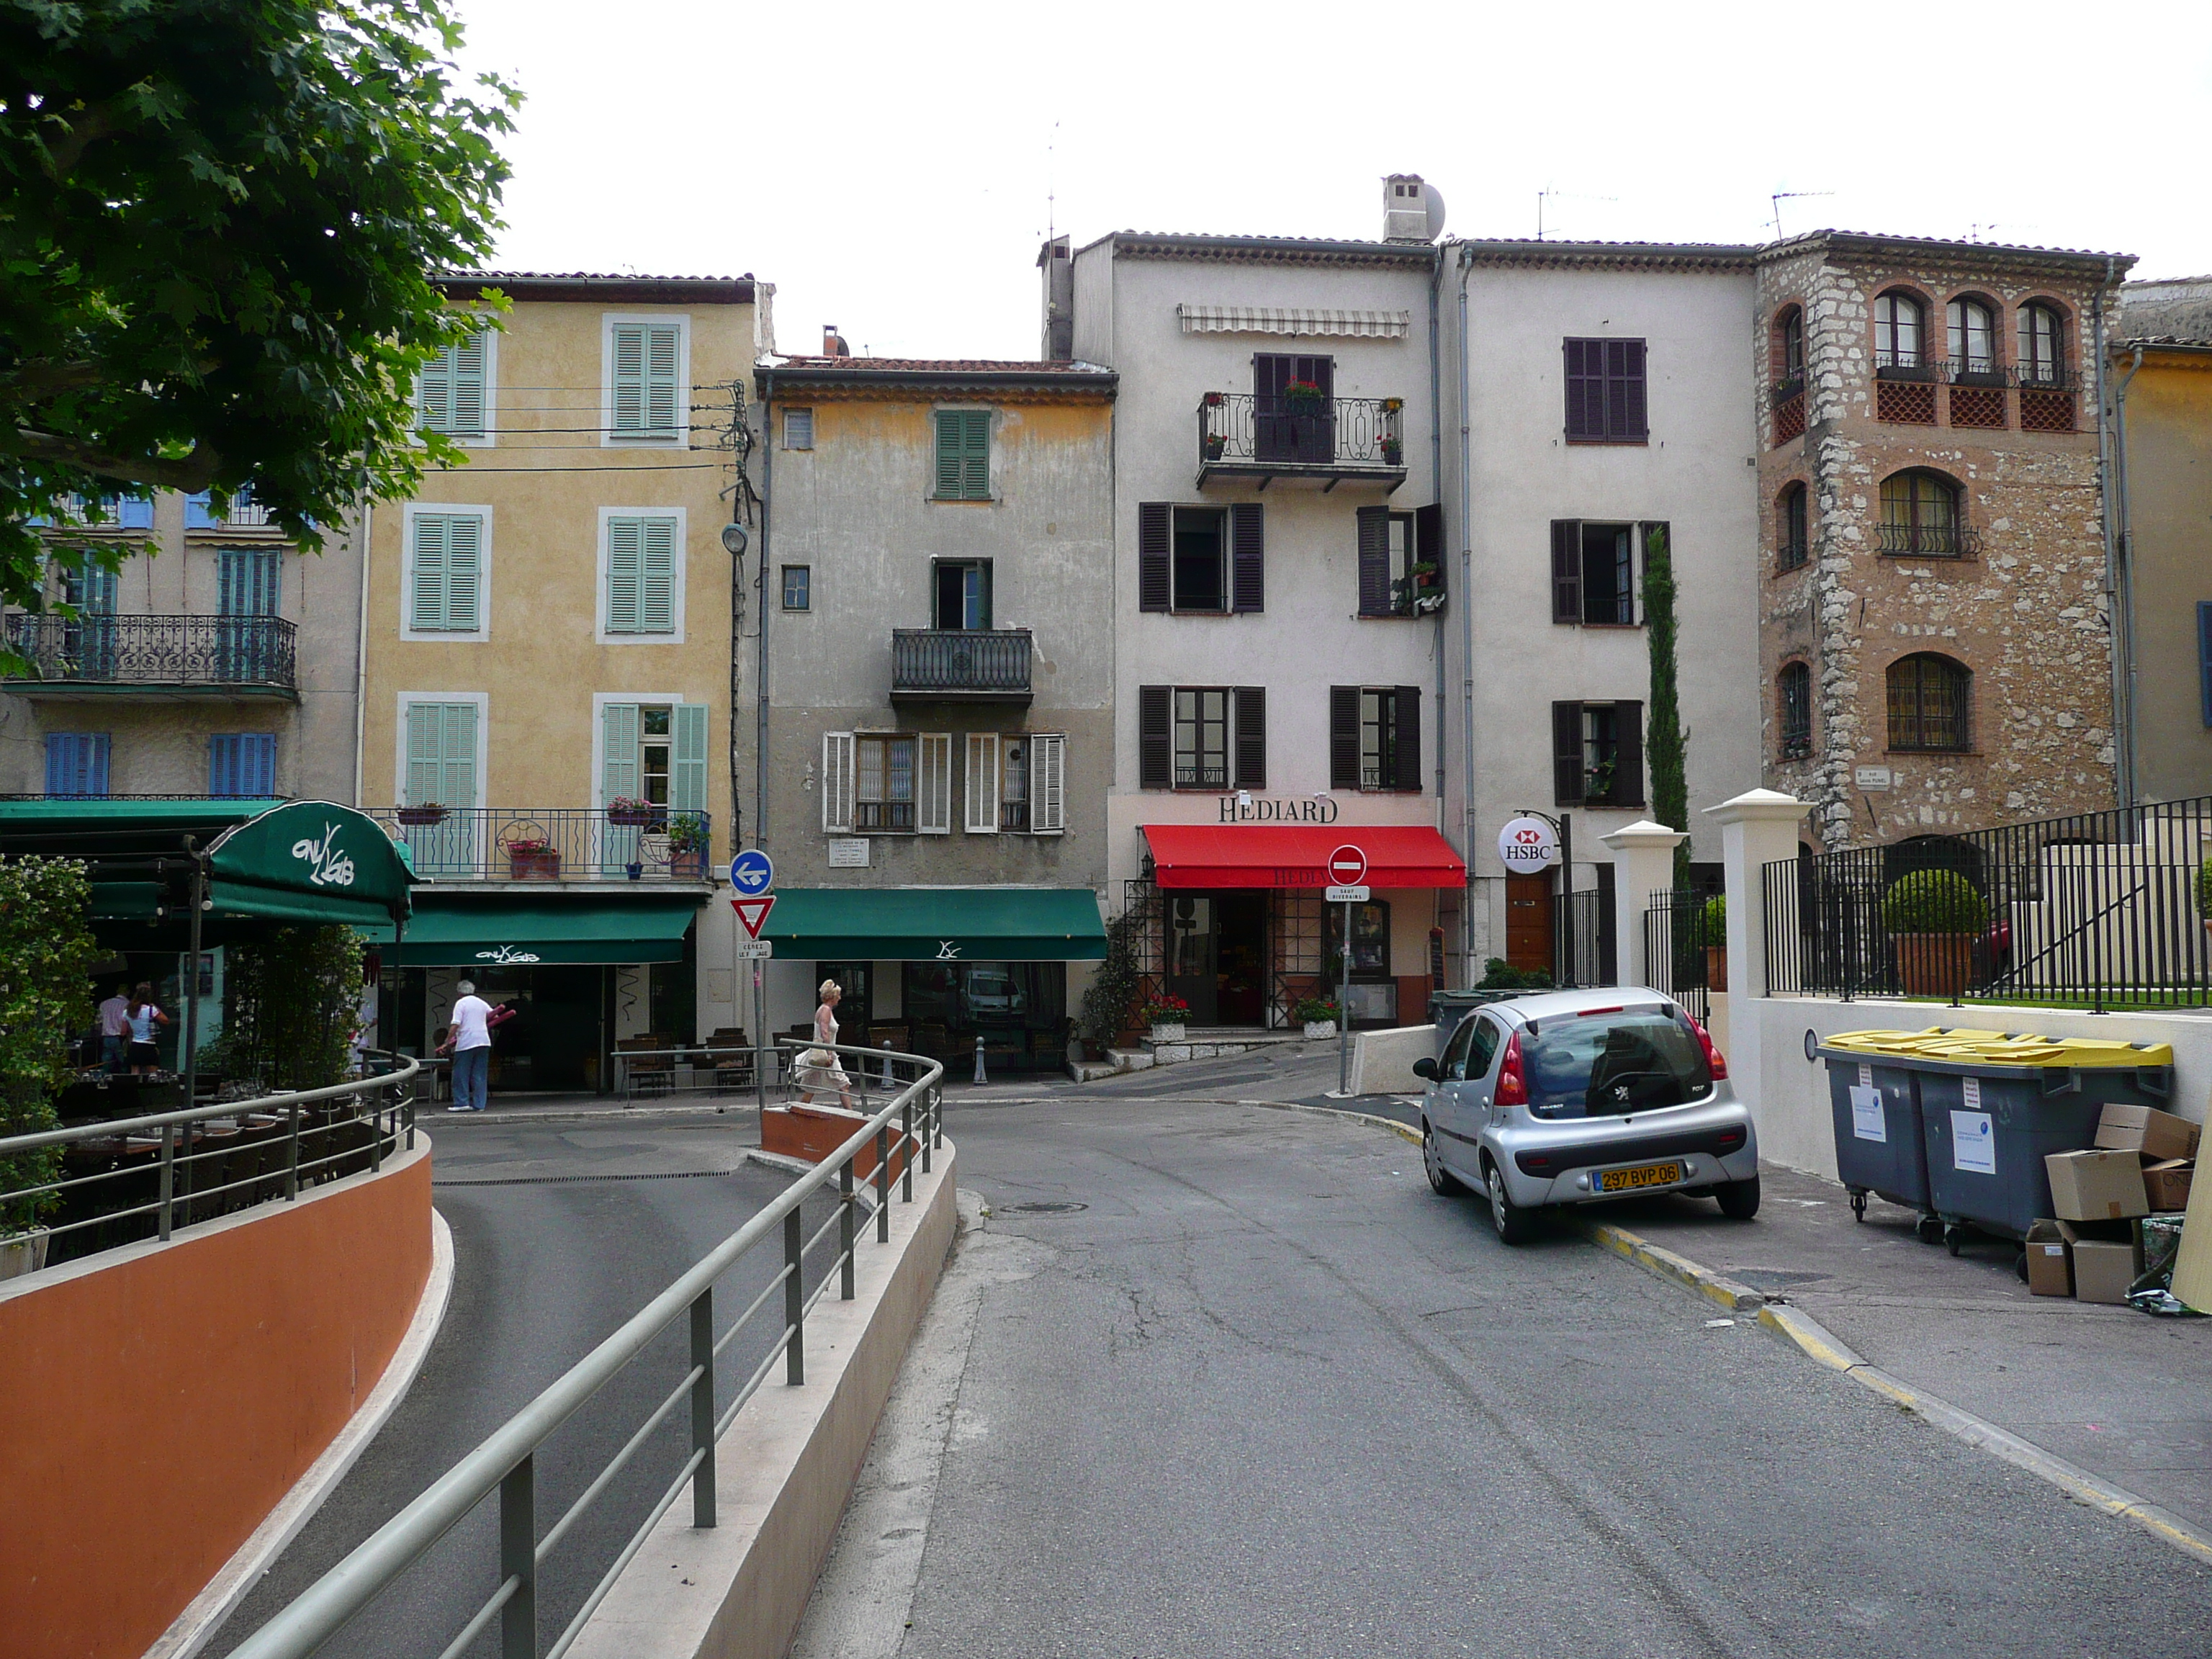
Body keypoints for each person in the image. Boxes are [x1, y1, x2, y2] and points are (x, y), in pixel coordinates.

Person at [795, 978, 855, 1109]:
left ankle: (798, 1111)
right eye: (838, 995)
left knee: (811, 1089)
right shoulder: (826, 1010)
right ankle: (851, 1114)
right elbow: (824, 1032)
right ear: (832, 996)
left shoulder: (823, 1009)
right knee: (843, 1085)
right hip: (826, 1053)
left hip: (822, 1052)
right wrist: (829, 1053)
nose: (839, 998)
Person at [125, 982, 169, 1074]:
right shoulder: (151, 1009)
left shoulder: (127, 1011)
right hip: (149, 1044)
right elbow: (165, 1021)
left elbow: (124, 1030)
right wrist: (155, 1007)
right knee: (152, 1074)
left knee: (135, 1073)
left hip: (135, 1044)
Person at [96, 982, 131, 1074]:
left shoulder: (104, 1004)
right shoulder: (128, 1005)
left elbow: (98, 1022)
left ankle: (103, 1083)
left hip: (107, 1037)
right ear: (128, 992)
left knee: (106, 1064)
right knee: (124, 1063)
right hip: (121, 1037)